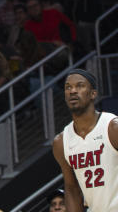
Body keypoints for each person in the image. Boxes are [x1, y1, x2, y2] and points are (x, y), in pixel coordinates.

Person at [51, 70, 118, 212]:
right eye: (68, 87)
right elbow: (71, 188)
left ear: (93, 94)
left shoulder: (112, 128)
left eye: (80, 86)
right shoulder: (61, 142)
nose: (73, 91)